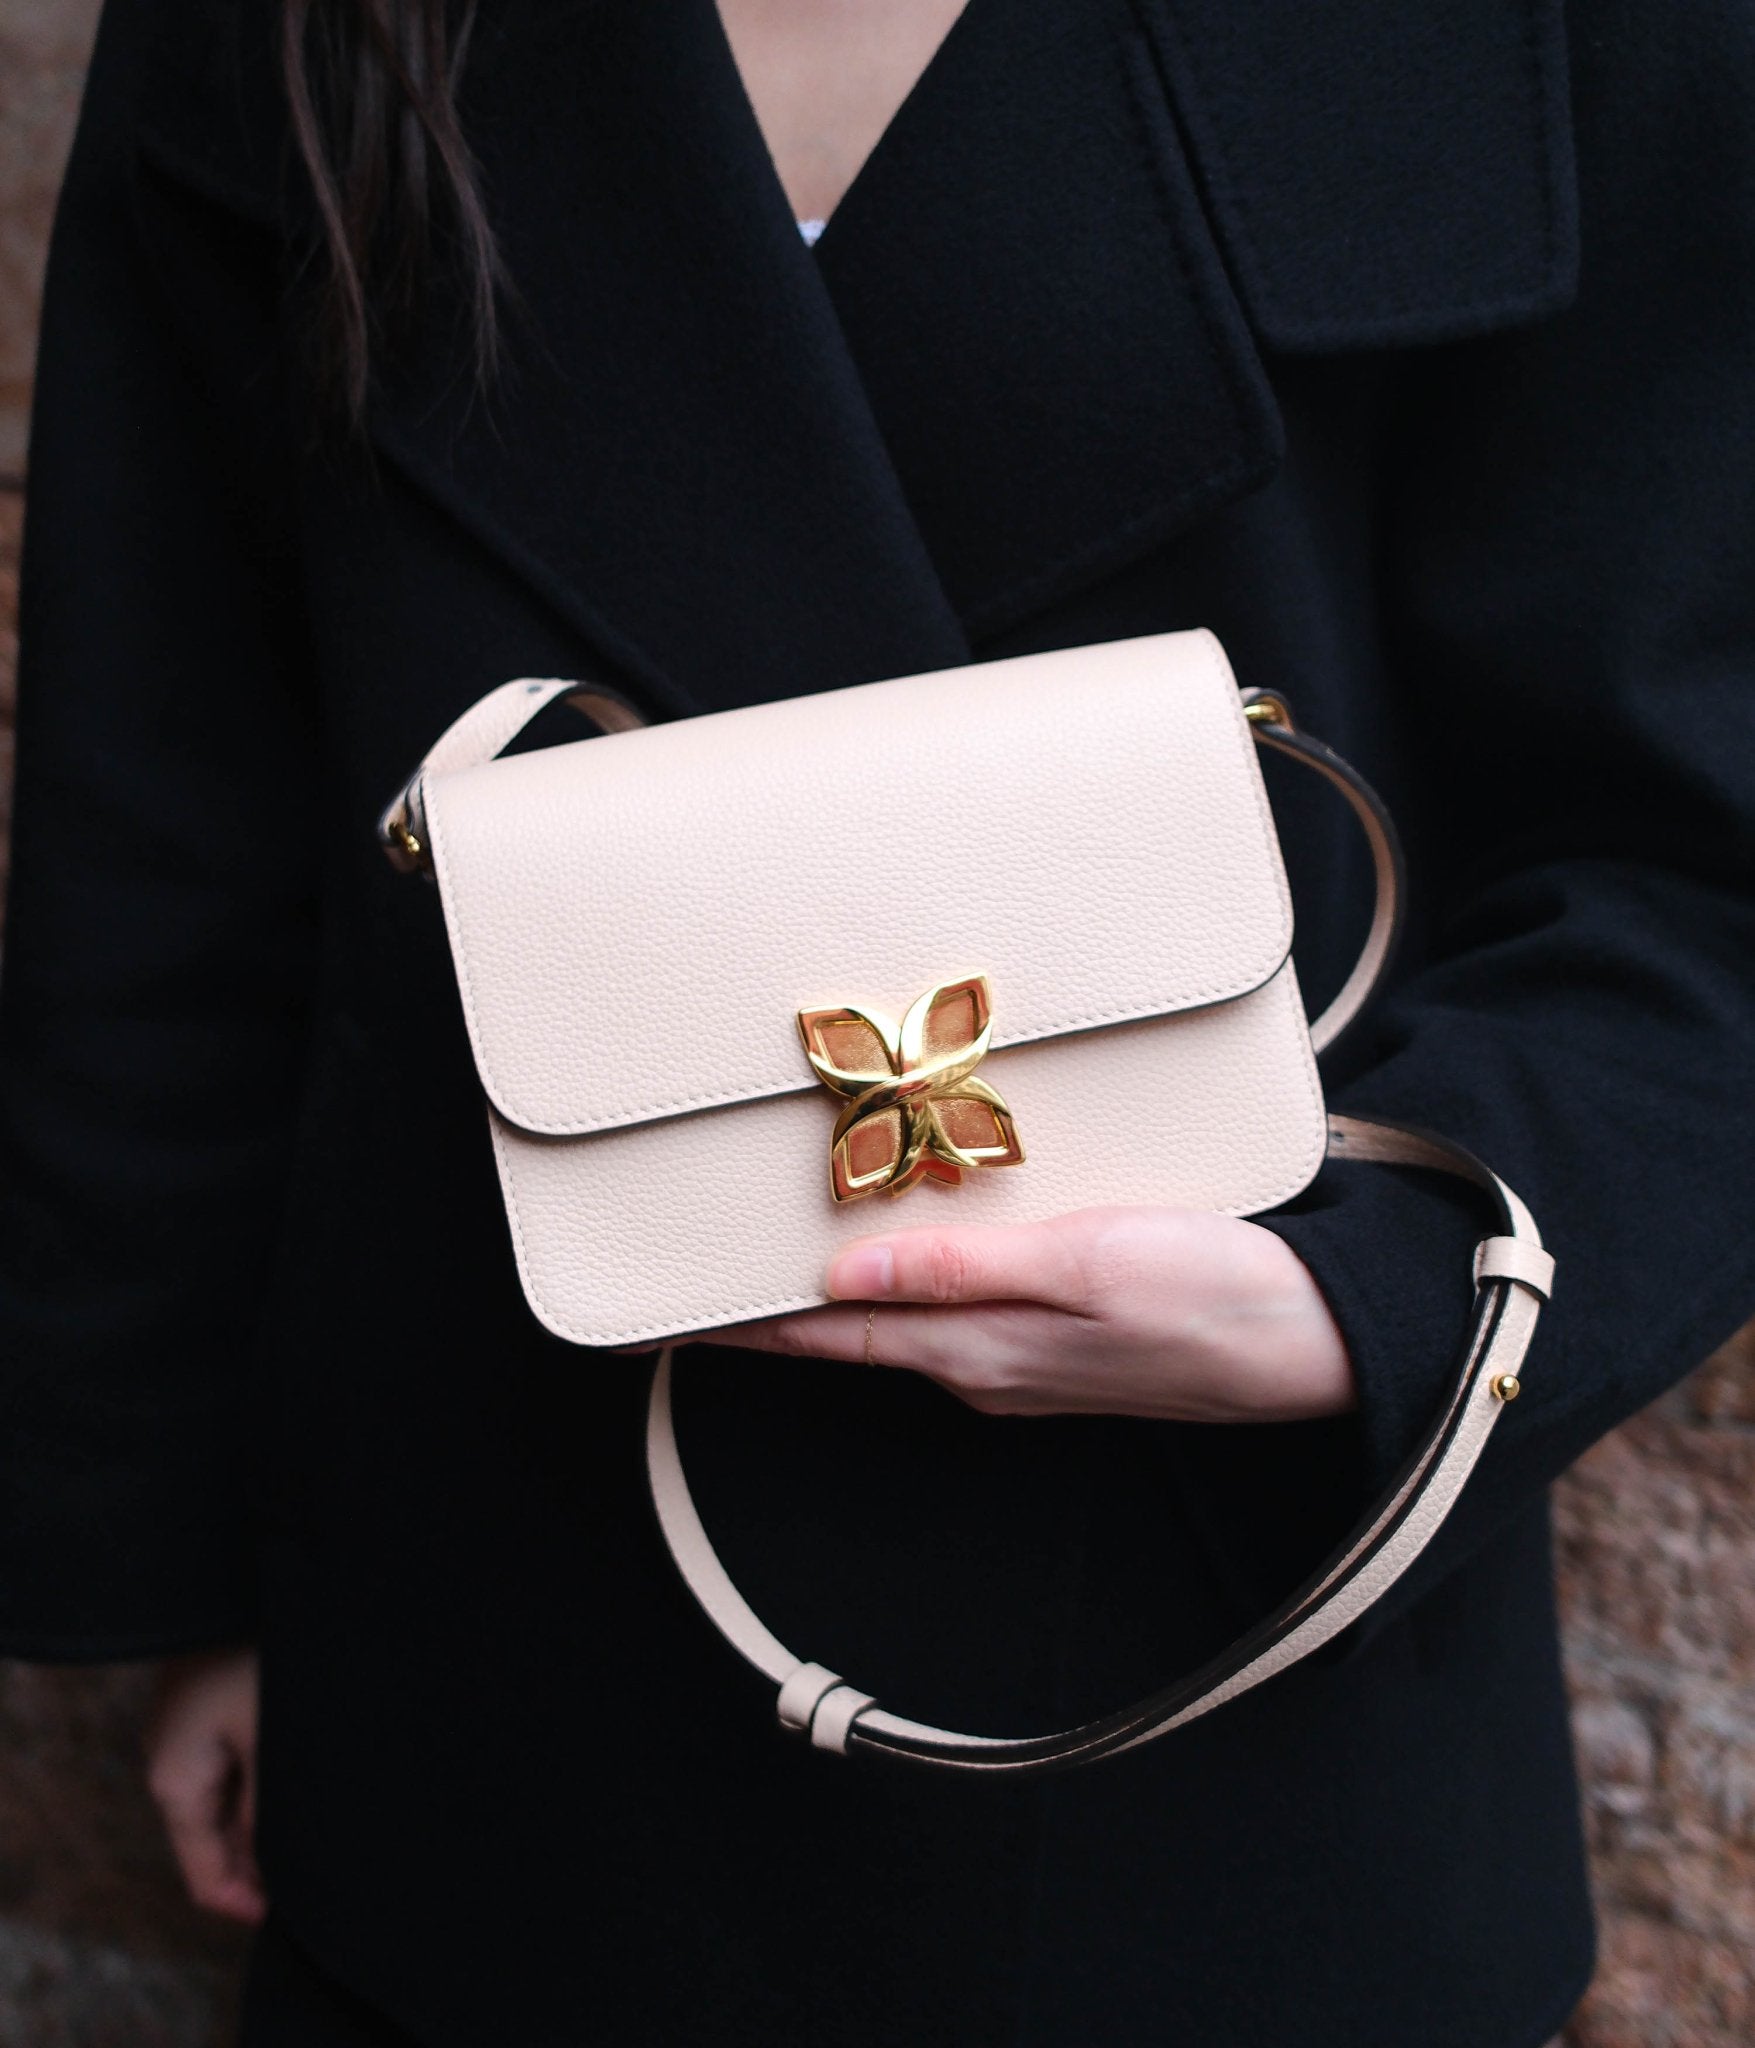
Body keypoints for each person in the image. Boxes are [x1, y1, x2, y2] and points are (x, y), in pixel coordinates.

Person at [3, 0, 1752, 2042]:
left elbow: (1695, 852)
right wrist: (186, 1568)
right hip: (490, 1675)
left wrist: (1377, 1297)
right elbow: (176, 806)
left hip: (1243, 1690)